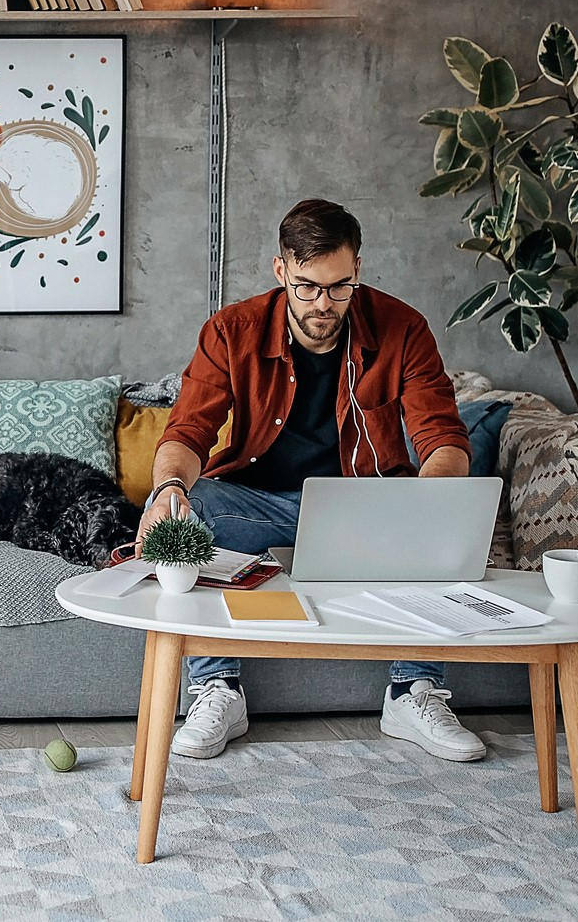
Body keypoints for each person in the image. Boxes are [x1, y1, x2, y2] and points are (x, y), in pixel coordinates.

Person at [135, 199, 481, 762]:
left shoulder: (403, 327)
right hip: (258, 504)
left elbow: (442, 436)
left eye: (339, 287)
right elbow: (188, 431)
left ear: (357, 271)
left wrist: (430, 500)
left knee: (431, 510)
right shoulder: (232, 331)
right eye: (306, 287)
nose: (324, 304)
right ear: (281, 272)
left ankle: (411, 691)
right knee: (193, 505)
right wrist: (168, 488)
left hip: (365, 507)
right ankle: (215, 689)